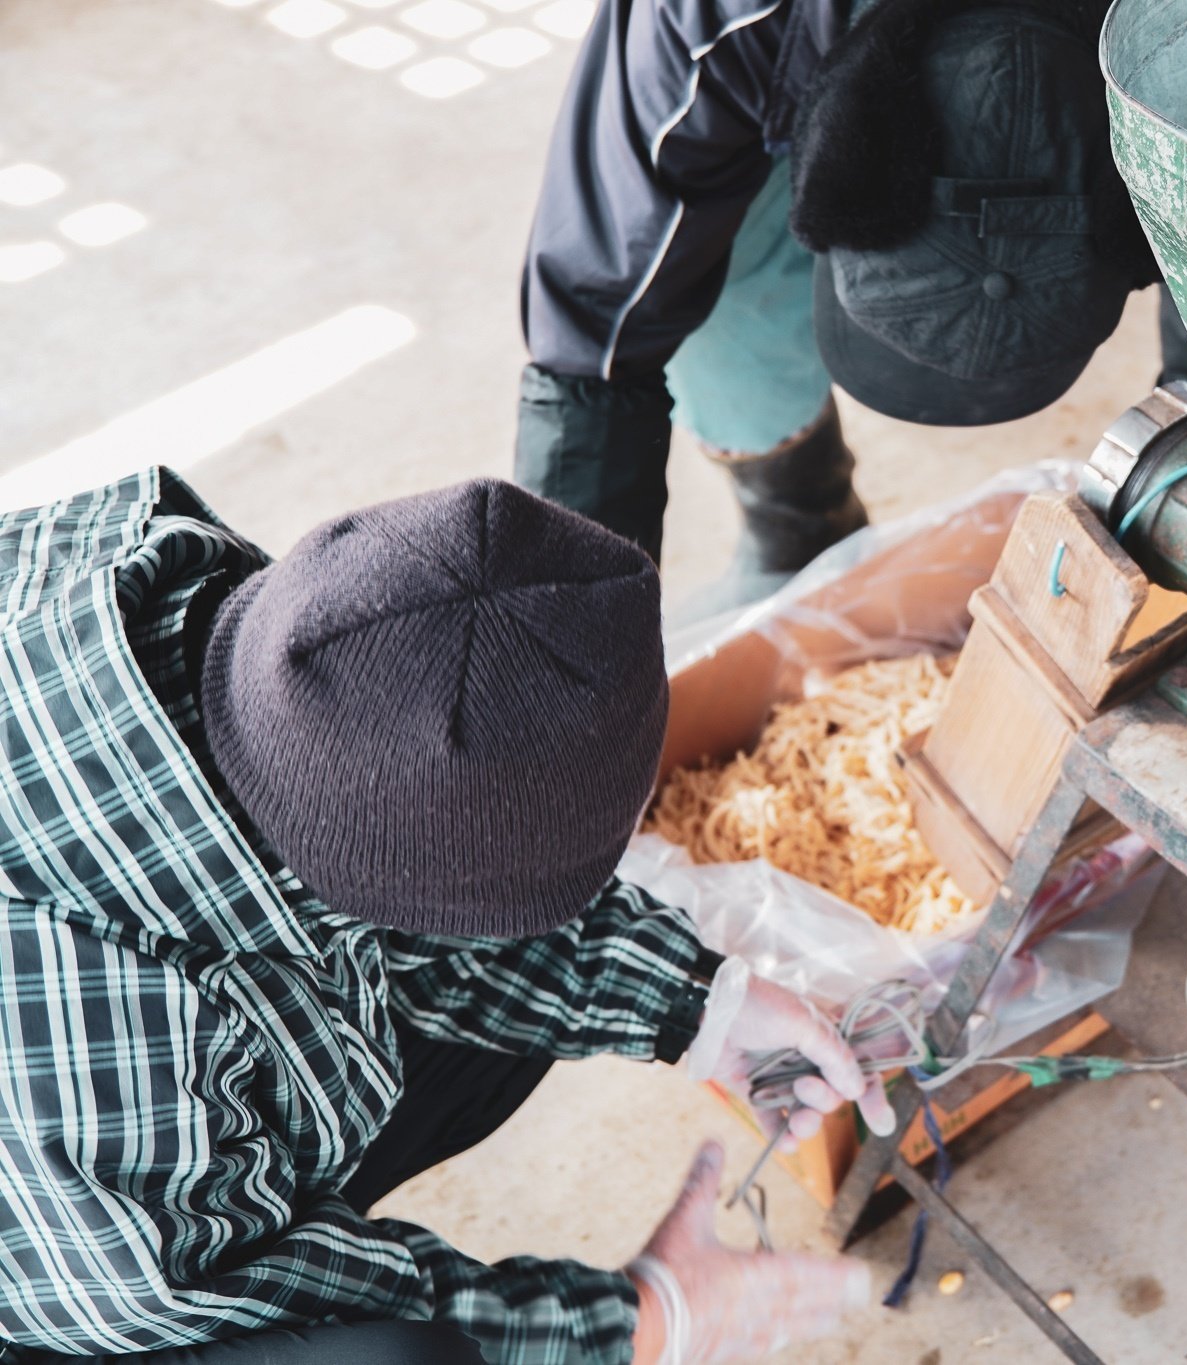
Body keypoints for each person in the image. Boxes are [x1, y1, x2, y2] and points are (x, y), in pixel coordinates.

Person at [0, 469, 891, 1365]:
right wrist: (640, 1319)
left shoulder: (201, 597)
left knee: (510, 1015)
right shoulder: (102, 1042)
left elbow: (417, 818)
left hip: (130, 1156)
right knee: (396, 1357)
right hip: (66, 1289)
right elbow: (192, 1292)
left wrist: (698, 1005)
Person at [514, 0, 1187, 621]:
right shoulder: (716, 26)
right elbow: (594, 336)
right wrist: (570, 650)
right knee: (690, 257)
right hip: (792, 48)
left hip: (1150, 54)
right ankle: (798, 527)